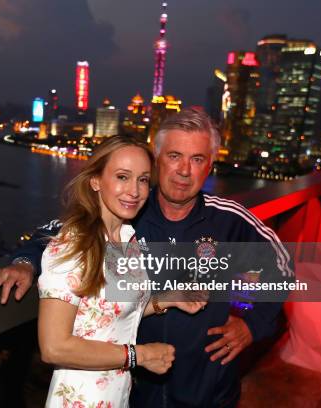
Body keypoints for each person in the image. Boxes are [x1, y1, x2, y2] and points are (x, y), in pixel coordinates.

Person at [0, 108, 292, 407]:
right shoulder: (128, 213)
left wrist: (252, 324)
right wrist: (25, 263)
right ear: (158, 160)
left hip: (207, 394)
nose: (184, 170)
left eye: (197, 159)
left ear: (210, 165)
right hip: (133, 391)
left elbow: (284, 269)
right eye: (174, 156)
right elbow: (58, 232)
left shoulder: (229, 221)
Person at [36, 135, 206, 407]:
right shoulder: (73, 246)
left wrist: (169, 298)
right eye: (122, 177)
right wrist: (141, 355)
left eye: (142, 179)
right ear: (95, 181)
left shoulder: (126, 239)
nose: (135, 191)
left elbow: (112, 312)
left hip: (118, 394)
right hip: (82, 399)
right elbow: (54, 347)